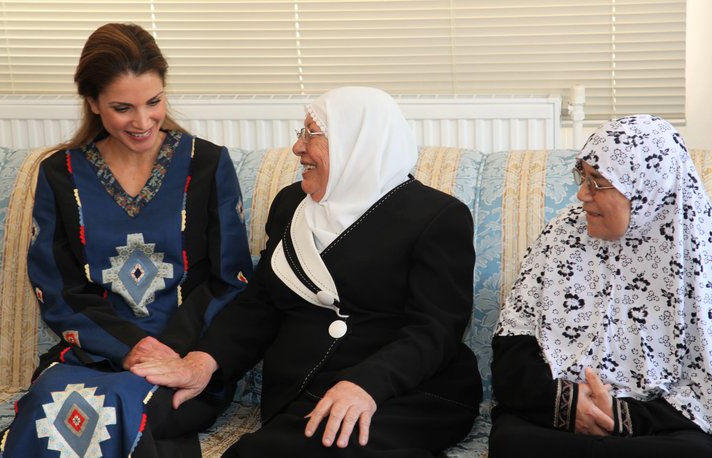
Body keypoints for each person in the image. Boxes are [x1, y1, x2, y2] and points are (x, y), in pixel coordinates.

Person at [132, 86, 482, 457]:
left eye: (311, 134)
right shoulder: (291, 204)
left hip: (407, 390)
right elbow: (260, 305)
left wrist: (366, 385)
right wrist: (203, 361)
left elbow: (436, 330)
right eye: (301, 133)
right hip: (305, 389)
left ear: (356, 142)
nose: (297, 147)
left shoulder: (437, 217)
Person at [0, 23, 253, 457]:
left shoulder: (207, 164)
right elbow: (56, 289)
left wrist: (167, 352)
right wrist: (127, 346)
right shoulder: (60, 174)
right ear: (93, 103)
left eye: (154, 102)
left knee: (105, 409)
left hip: (183, 363)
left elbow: (232, 280)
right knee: (54, 406)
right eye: (122, 108)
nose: (143, 121)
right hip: (92, 356)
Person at [489, 114, 712, 457]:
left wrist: (621, 417)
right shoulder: (562, 234)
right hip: (555, 415)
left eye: (598, 182)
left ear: (647, 188)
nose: (582, 194)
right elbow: (512, 342)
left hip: (656, 425)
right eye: (583, 176)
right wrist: (567, 403)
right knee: (513, 442)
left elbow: (704, 386)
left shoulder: (698, 252)